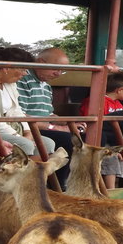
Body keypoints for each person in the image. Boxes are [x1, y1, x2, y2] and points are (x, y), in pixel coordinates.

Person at [16, 47, 81, 187]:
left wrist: (69, 124)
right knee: (67, 139)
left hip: (42, 126)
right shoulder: (22, 80)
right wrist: (55, 127)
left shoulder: (46, 85)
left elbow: (49, 114)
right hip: (27, 127)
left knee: (81, 136)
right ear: (40, 62)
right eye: (55, 69)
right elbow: (20, 115)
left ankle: (71, 182)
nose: (58, 74)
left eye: (61, 71)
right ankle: (56, 185)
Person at [0, 47, 55, 157]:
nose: (25, 73)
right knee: (25, 145)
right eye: (23, 69)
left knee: (47, 144)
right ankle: (17, 173)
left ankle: (36, 173)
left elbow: (17, 110)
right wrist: (17, 136)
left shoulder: (11, 84)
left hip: (11, 128)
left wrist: (28, 132)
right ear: (6, 68)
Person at [80, 73, 123, 188]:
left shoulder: (119, 104)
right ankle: (109, 190)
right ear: (119, 90)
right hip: (99, 140)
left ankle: (114, 188)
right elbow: (91, 124)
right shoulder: (96, 101)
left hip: (114, 140)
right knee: (111, 156)